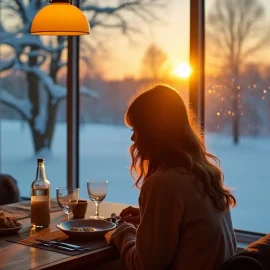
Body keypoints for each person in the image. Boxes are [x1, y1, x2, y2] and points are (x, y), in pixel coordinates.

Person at [109, 84, 237, 270]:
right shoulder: (204, 173)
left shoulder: (163, 184)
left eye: (135, 129)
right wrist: (148, 217)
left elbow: (144, 265)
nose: (133, 139)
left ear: (152, 132)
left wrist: (124, 232)